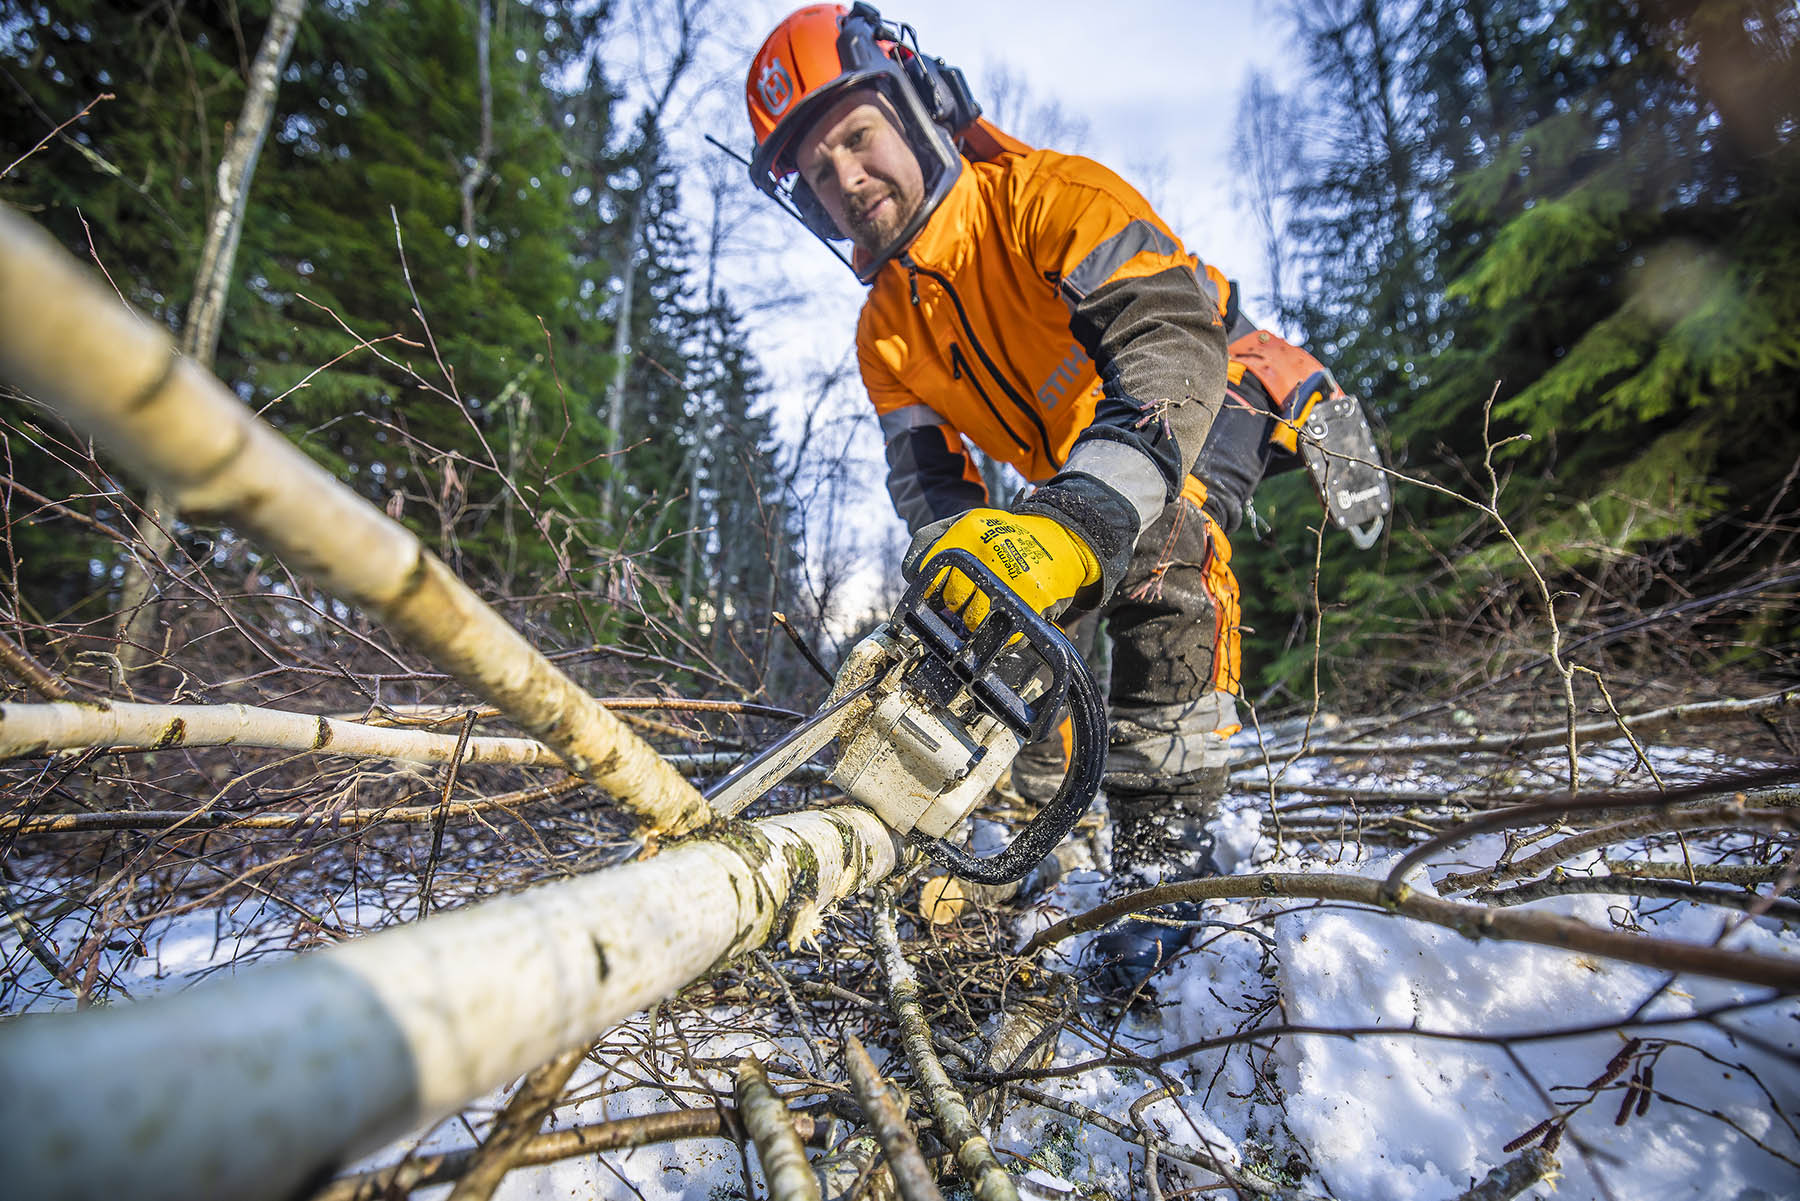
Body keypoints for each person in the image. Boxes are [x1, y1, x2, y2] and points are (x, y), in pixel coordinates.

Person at [745, 3, 1366, 997]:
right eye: (820, 171)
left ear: (917, 109)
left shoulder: (1050, 198)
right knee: (1007, 601)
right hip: (1073, 461)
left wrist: (1090, 510)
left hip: (1203, 382)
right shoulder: (884, 333)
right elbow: (930, 481)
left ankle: (1166, 850)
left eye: (857, 138)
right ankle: (1032, 823)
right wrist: (969, 580)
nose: (848, 179)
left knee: (1162, 541)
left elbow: (1169, 343)